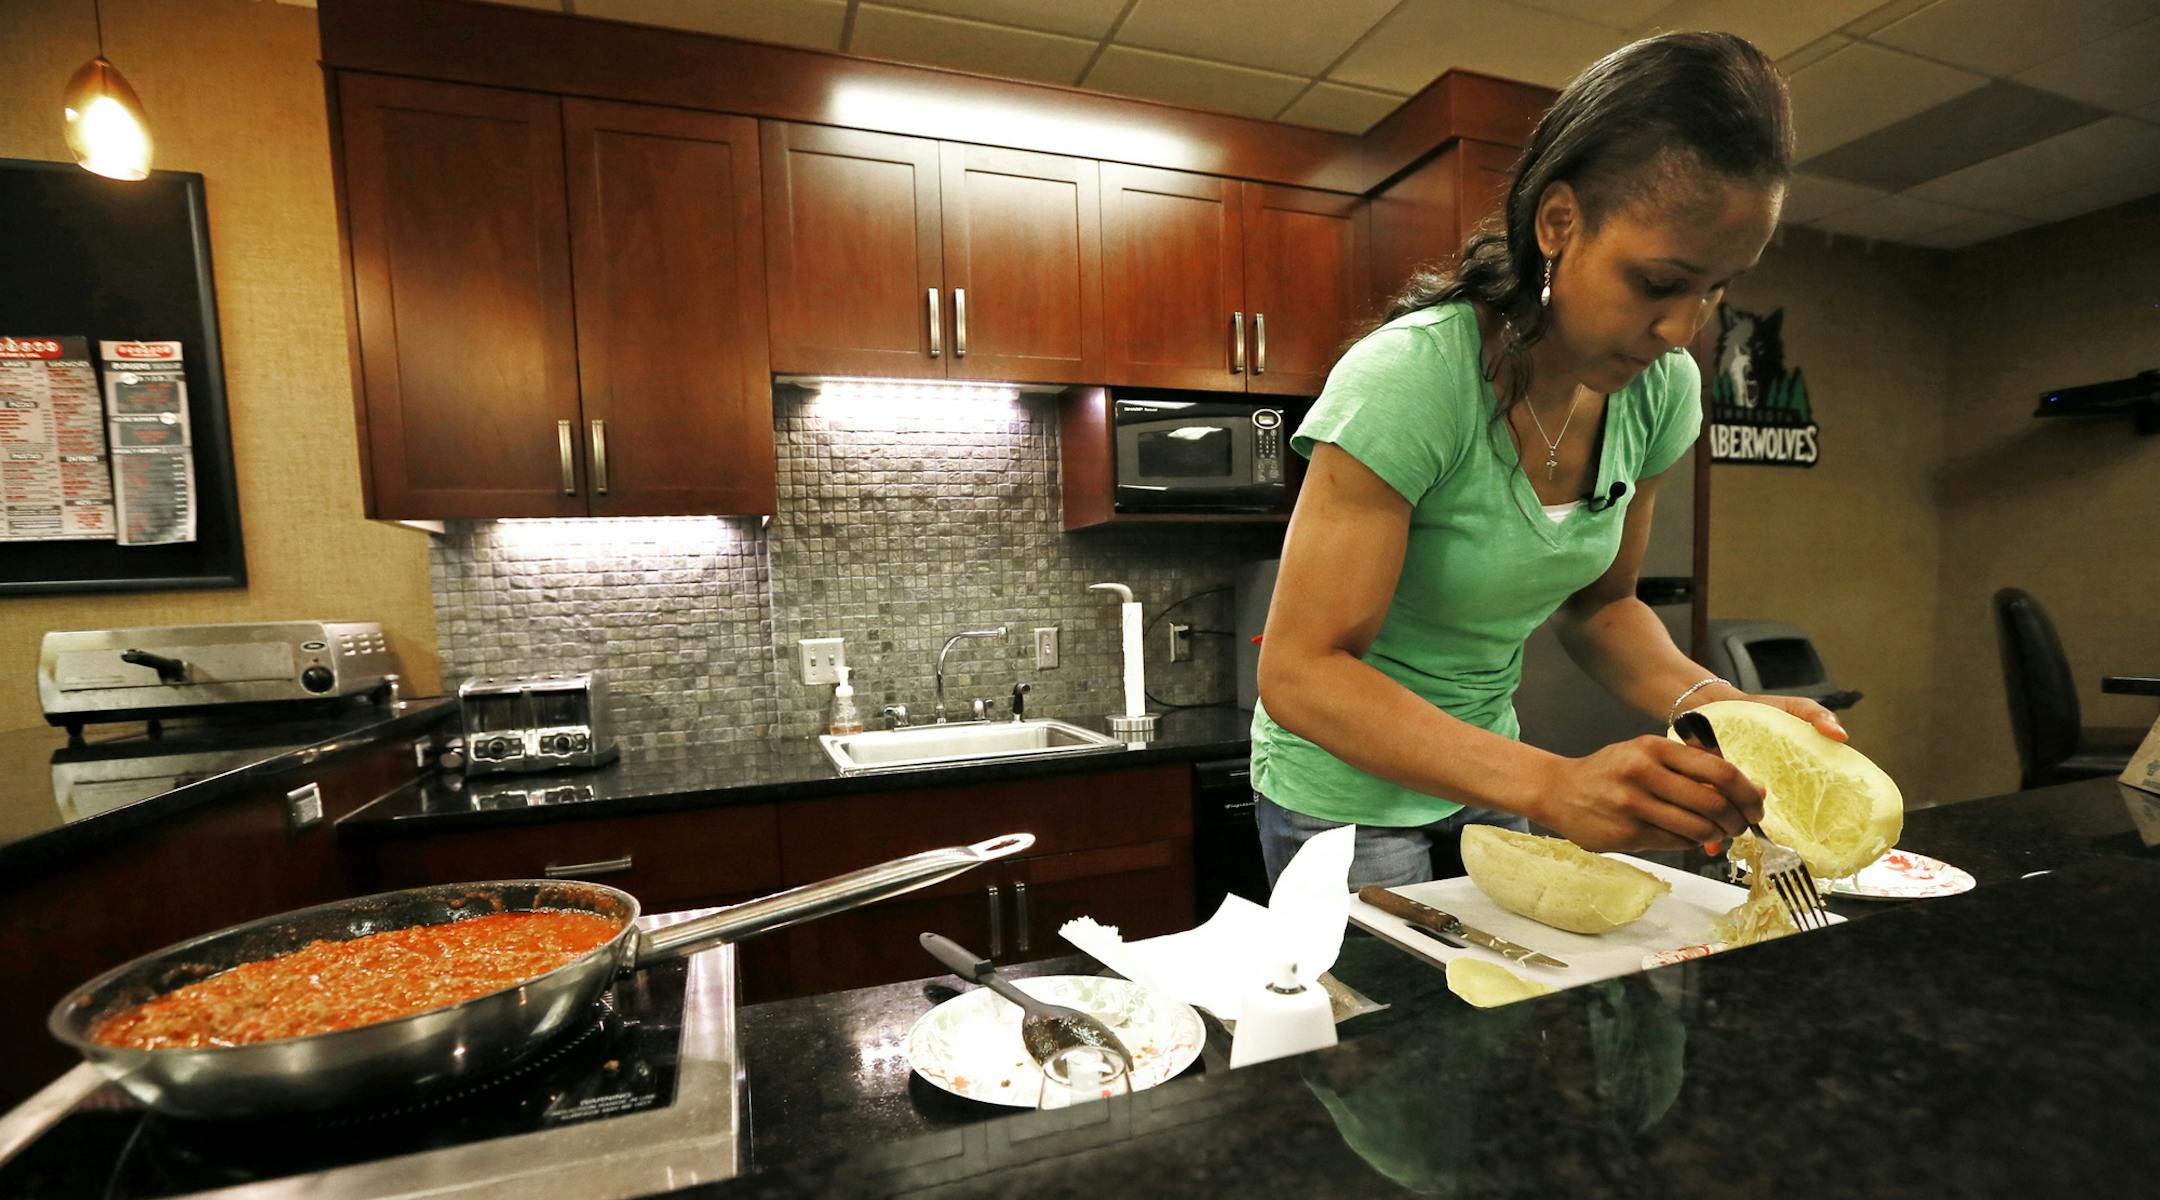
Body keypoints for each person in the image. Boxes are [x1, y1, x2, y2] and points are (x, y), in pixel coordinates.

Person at [1252, 31, 1847, 889]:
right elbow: (1302, 672)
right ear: (1560, 222)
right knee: (1400, 1021)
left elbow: (1603, 609)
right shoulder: (1413, 379)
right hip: (1341, 790)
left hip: (1487, 761)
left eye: (1716, 290)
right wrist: (1551, 782)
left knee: (1500, 1003)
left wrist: (1724, 710)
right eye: (1657, 283)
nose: (1685, 330)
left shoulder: (1662, 391)